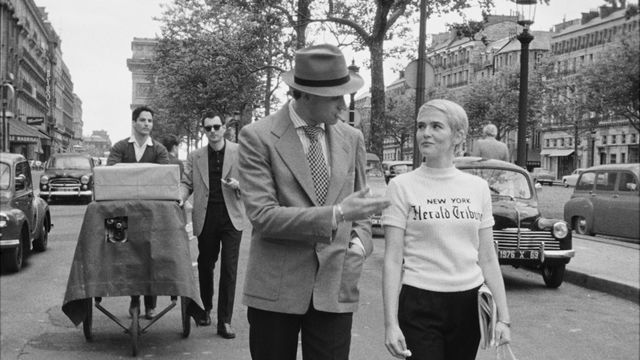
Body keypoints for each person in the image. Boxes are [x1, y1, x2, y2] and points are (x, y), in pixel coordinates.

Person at [237, 43, 391, 360]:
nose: (343, 104)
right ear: (305, 94)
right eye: (335, 96)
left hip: (335, 286)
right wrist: (335, 214)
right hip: (276, 290)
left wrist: (361, 245)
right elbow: (263, 216)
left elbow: (360, 204)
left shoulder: (352, 138)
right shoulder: (257, 137)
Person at [382, 99, 511, 360]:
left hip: (468, 304)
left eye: (436, 126)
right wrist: (390, 323)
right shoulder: (401, 186)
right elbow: (393, 259)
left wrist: (504, 318)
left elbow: (487, 256)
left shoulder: (477, 188)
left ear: (458, 135)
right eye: (421, 126)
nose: (425, 133)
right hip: (419, 301)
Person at [179, 113, 248, 339]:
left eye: (217, 126)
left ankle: (225, 321)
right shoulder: (195, 156)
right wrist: (180, 198)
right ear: (204, 131)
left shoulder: (239, 151)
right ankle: (206, 309)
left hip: (231, 217)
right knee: (206, 265)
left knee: (229, 269)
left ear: (225, 127)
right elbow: (186, 182)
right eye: (208, 128)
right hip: (206, 216)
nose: (213, 131)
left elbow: (254, 180)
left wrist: (239, 185)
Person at [106, 105, 169, 320]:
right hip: (121, 213)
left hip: (151, 214)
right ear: (134, 123)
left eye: (150, 121)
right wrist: (145, 175)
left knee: (151, 256)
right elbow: (110, 177)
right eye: (142, 120)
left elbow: (164, 179)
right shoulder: (120, 146)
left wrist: (128, 173)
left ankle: (150, 303)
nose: (146, 124)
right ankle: (134, 300)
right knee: (125, 256)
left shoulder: (159, 149)